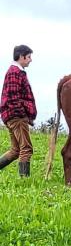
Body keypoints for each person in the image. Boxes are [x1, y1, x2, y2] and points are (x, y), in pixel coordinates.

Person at [0, 45, 37, 177]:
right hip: (16, 116)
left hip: (12, 115)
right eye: (29, 57)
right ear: (21, 57)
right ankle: (24, 181)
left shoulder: (16, 71)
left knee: (16, 150)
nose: (30, 60)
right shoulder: (14, 72)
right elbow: (12, 97)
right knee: (26, 149)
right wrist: (23, 115)